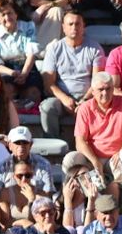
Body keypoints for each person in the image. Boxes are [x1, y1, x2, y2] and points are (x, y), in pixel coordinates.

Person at [40, 10, 105, 138]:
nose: (74, 27)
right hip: (61, 97)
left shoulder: (95, 48)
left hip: (88, 97)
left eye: (77, 24)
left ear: (83, 26)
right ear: (63, 27)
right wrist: (64, 99)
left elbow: (98, 82)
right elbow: (49, 83)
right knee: (47, 108)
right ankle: (53, 145)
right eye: (70, 24)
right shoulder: (54, 49)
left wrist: (85, 100)